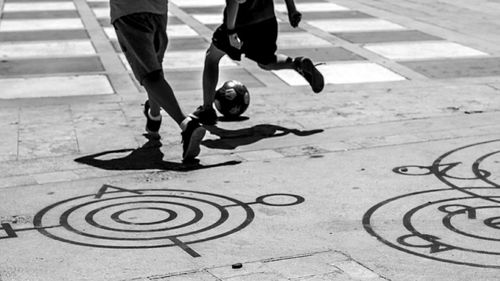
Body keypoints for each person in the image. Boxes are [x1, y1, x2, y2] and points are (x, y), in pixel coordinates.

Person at [191, 0, 325, 125]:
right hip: (267, 21)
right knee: (266, 61)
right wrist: (291, 9)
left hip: (241, 23)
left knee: (212, 58)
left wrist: (231, 31)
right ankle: (296, 64)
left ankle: (207, 110)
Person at [110, 0, 206, 161]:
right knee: (154, 68)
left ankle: (186, 123)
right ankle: (154, 116)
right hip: (158, 11)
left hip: (129, 11)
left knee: (149, 75)